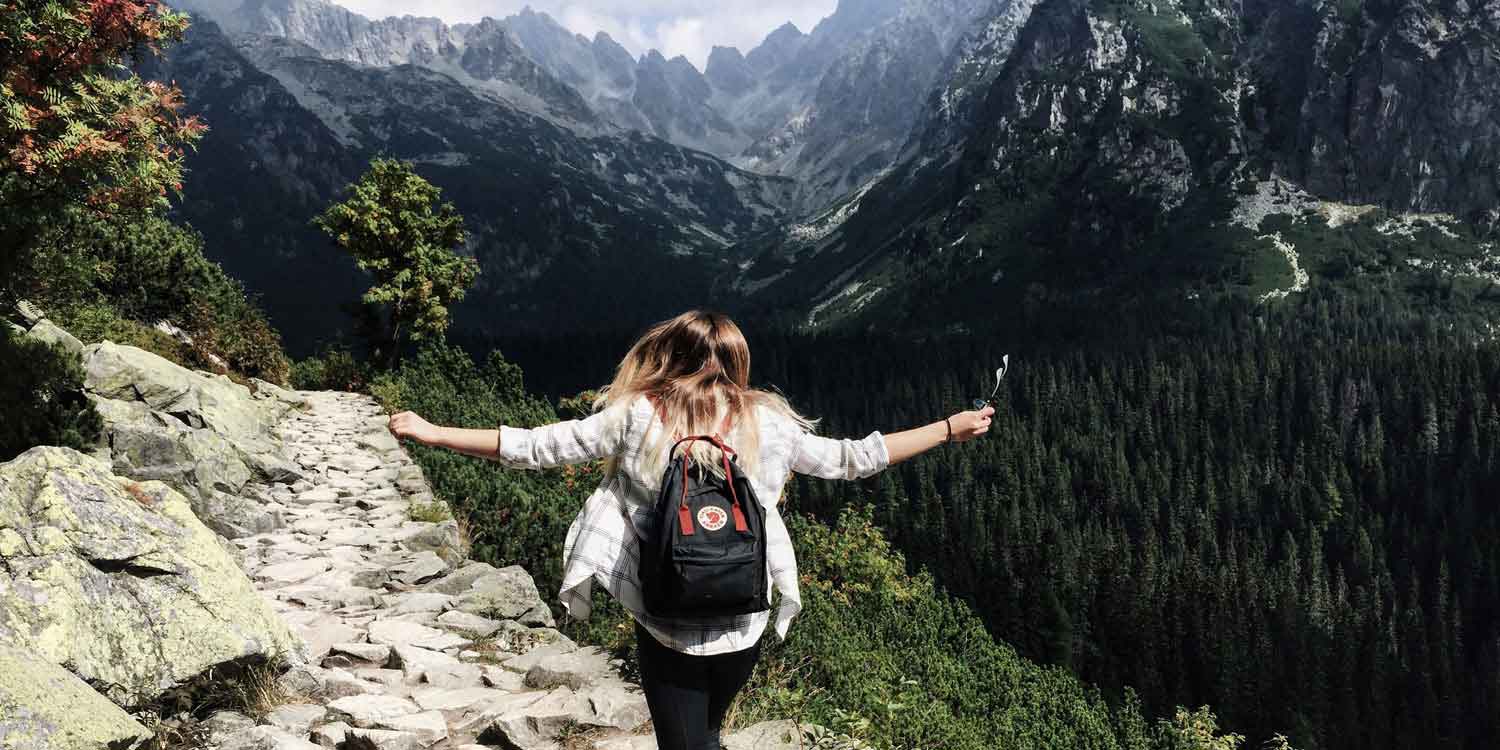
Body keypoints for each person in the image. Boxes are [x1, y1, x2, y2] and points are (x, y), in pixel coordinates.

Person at [387, 310, 994, 750]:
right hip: (745, 611)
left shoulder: (635, 416)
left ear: (669, 359)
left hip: (667, 616)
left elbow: (534, 447)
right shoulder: (768, 423)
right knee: (705, 731)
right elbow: (855, 459)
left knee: (686, 741)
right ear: (737, 364)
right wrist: (949, 426)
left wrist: (435, 431)